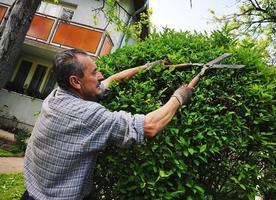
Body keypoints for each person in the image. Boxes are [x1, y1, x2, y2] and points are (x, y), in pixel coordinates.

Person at [22, 48, 193, 200]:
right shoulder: (87, 114)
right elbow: (149, 127)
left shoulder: (57, 95)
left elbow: (112, 80)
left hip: (32, 191)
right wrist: (179, 96)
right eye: (94, 72)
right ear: (76, 81)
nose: (100, 76)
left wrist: (146, 67)